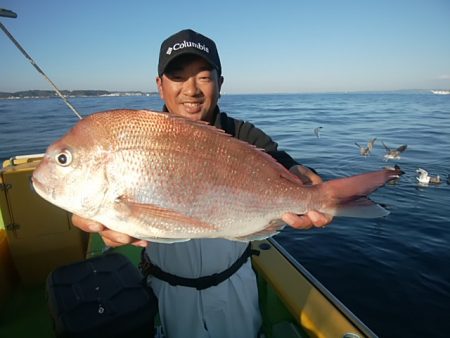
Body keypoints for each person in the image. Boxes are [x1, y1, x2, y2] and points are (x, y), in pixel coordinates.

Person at [72, 29, 332, 338]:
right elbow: (88, 200)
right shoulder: (140, 138)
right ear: (160, 85)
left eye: (204, 77)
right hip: (166, 289)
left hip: (235, 285)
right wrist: (88, 217)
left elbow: (279, 160)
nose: (191, 90)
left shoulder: (242, 136)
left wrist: (306, 181)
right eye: (178, 77)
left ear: (220, 83)